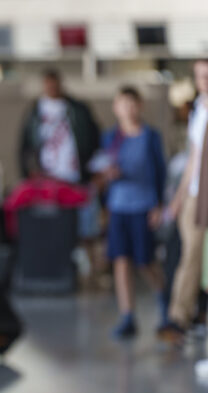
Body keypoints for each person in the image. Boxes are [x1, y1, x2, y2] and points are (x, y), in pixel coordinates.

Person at [93, 86, 167, 339]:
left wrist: (159, 205)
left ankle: (164, 301)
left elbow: (160, 171)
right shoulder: (111, 138)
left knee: (145, 260)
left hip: (143, 204)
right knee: (121, 260)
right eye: (122, 104)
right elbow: (101, 171)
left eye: (132, 103)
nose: (128, 109)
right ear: (116, 107)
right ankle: (127, 315)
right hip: (118, 205)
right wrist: (108, 176)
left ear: (140, 105)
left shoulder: (150, 136)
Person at [19, 69, 102, 283]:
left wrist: (92, 170)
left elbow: (93, 138)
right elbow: (25, 145)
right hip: (48, 180)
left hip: (75, 176)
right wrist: (29, 171)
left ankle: (90, 274)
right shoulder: (35, 112)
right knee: (54, 227)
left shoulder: (77, 110)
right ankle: (58, 272)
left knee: (85, 228)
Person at [162, 59, 208, 345]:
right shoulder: (198, 109)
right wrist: (178, 198)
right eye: (200, 75)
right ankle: (179, 317)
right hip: (195, 194)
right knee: (189, 255)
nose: (203, 79)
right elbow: (193, 157)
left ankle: (187, 315)